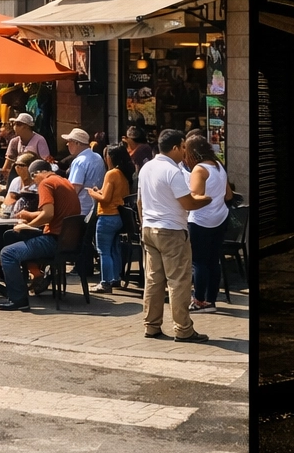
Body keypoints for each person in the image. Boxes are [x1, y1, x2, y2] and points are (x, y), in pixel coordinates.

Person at [136, 129, 210, 342]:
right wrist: (205, 199)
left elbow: (140, 201)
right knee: (178, 281)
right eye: (184, 147)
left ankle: (151, 325)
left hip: (149, 229)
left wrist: (144, 225)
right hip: (172, 230)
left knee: (153, 280)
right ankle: (184, 329)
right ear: (176, 146)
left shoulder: (146, 168)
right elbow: (188, 202)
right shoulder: (173, 171)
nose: (185, 152)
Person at [0, 159, 81, 311]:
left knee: (7, 253)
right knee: (12, 236)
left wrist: (28, 225)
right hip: (68, 241)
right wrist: (29, 215)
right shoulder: (65, 182)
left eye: (34, 178)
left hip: (53, 241)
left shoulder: (46, 184)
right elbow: (55, 213)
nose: (35, 183)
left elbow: (48, 214)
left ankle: (18, 299)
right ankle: (35, 275)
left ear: (37, 174)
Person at [186, 135, 234, 312]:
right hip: (220, 218)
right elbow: (228, 195)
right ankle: (211, 300)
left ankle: (199, 300)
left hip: (201, 220)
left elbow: (195, 197)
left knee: (199, 262)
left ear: (193, 152)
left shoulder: (199, 170)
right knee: (214, 260)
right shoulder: (218, 166)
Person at [87, 144, 132, 293]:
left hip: (107, 216)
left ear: (110, 157)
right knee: (114, 249)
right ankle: (115, 278)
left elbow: (105, 199)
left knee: (103, 251)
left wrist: (93, 194)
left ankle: (105, 282)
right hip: (118, 216)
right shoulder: (124, 173)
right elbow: (112, 195)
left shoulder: (111, 173)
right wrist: (99, 191)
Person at [63, 127, 105, 220]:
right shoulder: (98, 157)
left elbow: (74, 189)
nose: (67, 145)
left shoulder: (79, 161)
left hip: (81, 210)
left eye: (69, 142)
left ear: (77, 143)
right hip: (96, 208)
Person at [0, 112, 51, 178]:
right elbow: (7, 164)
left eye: (18, 124)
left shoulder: (40, 140)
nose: (14, 127)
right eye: (14, 124)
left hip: (35, 176)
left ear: (26, 126)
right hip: (18, 175)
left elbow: (46, 163)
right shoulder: (14, 141)